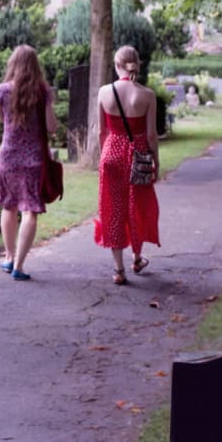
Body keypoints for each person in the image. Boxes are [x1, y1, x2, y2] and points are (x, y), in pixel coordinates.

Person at [94, 45, 160, 285]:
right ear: (137, 65)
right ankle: (137, 258)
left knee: (113, 210)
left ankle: (118, 270)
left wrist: (106, 157)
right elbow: (151, 135)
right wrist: (156, 161)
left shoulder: (104, 92)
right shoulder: (147, 95)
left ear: (116, 64)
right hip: (139, 155)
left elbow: (101, 131)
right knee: (137, 208)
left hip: (111, 154)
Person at [0, 45, 57, 281]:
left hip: (8, 156)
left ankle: (9, 257)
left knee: (8, 206)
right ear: (35, 66)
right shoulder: (43, 93)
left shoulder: (1, 91)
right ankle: (19, 265)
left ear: (13, 64)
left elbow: (3, 120)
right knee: (30, 211)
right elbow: (51, 128)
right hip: (34, 160)